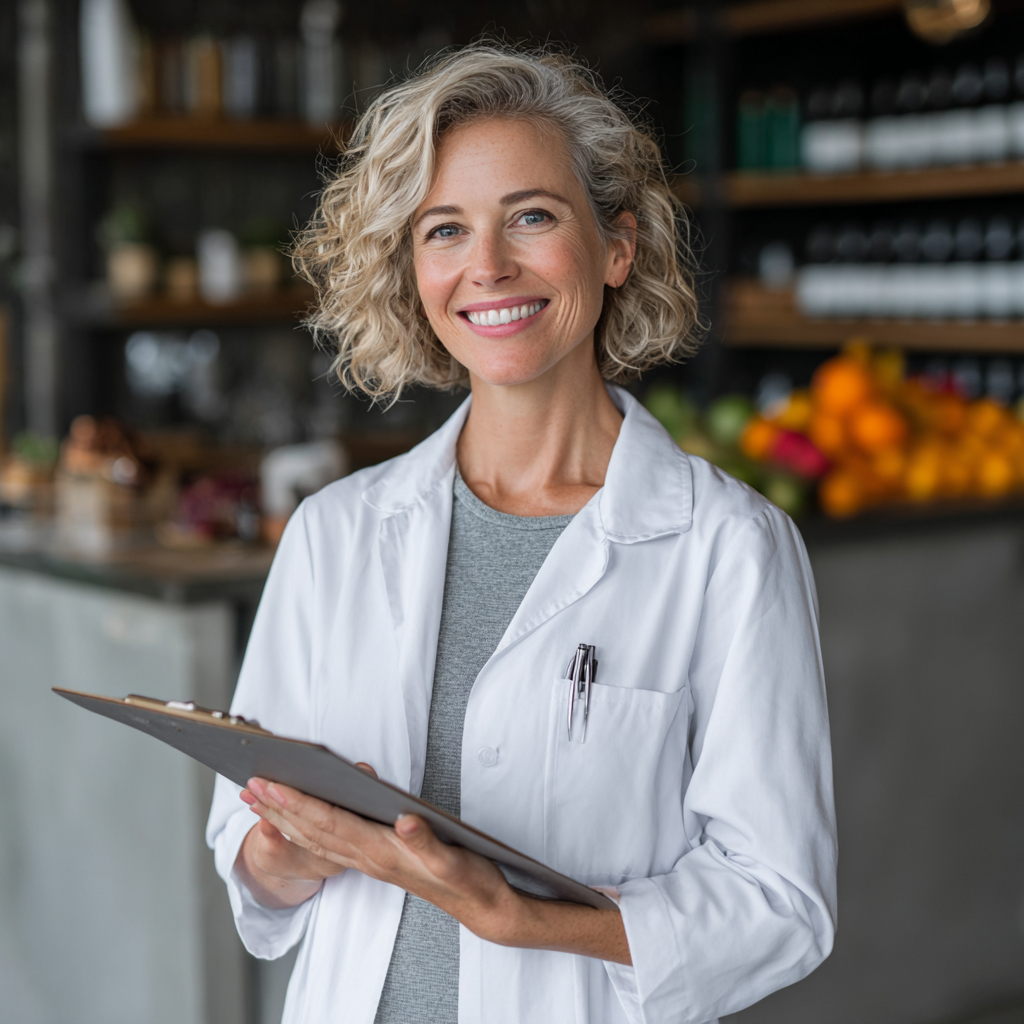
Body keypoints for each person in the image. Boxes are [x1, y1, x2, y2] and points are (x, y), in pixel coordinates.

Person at [207, 43, 837, 1024]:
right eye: (444, 229)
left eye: (530, 217)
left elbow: (778, 903)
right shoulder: (336, 533)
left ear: (616, 245)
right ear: (412, 269)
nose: (487, 267)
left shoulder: (727, 546)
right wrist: (285, 846)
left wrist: (520, 918)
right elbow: (246, 864)